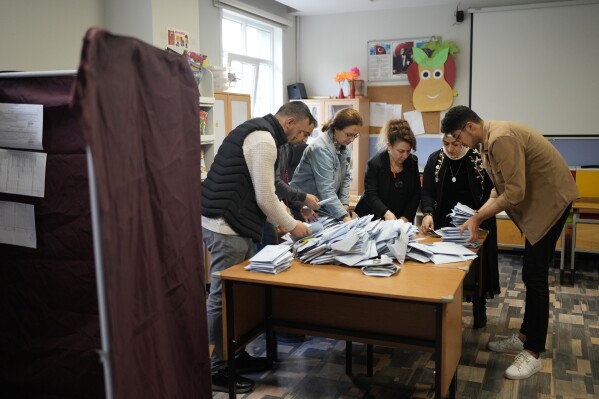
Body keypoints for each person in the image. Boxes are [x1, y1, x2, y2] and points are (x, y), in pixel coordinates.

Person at [440, 105, 579, 380]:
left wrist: (478, 218)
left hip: (552, 202)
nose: (458, 144)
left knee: (535, 274)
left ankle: (533, 352)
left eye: (458, 137)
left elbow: (514, 193)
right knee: (531, 272)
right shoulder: (487, 143)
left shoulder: (501, 138)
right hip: (541, 204)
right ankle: (525, 336)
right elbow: (499, 189)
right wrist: (476, 217)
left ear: (469, 126)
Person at [201, 101, 316, 393]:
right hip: (226, 226)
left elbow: (272, 184)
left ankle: (234, 356)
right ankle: (216, 367)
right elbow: (265, 196)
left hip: (236, 223)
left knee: (239, 295)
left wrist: (299, 202)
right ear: (289, 122)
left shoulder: (266, 135)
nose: (302, 140)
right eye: (302, 133)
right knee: (222, 295)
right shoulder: (264, 140)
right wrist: (292, 226)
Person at [420, 132, 500, 328]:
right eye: (446, 144)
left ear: (462, 140)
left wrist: (478, 215)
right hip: (444, 225)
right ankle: (442, 312)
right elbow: (428, 191)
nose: (450, 149)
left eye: (455, 144)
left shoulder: (478, 158)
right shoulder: (435, 159)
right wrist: (428, 213)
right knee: (443, 269)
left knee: (477, 271)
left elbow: (491, 192)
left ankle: (479, 312)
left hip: (477, 221)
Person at [290, 107, 363, 223]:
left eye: (355, 135)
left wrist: (344, 205)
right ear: (336, 128)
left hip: (324, 206)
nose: (351, 139)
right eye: (348, 134)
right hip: (304, 208)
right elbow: (326, 189)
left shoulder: (344, 145)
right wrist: (345, 217)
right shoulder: (321, 149)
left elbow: (345, 178)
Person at [354, 119, 421, 222]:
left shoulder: (412, 162)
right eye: (401, 151)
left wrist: (406, 217)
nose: (405, 156)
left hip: (401, 219)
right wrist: (386, 213)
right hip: (373, 217)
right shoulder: (375, 164)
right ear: (389, 146)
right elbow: (371, 194)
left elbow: (416, 193)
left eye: (408, 151)